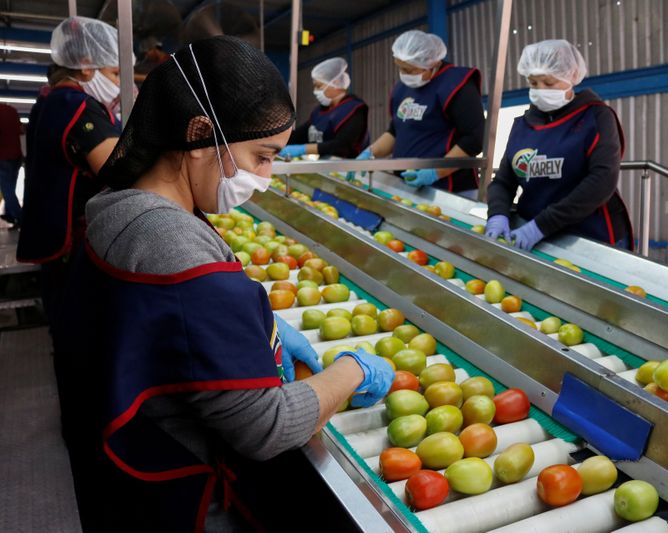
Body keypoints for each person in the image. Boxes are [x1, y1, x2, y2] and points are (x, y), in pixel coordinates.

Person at [56, 36, 393, 532]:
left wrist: (249, 325)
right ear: (199, 133)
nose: (266, 175)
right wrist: (353, 371)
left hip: (119, 469)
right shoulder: (179, 251)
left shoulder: (118, 206)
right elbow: (267, 428)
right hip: (182, 491)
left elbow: (165, 326)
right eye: (262, 155)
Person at [17, 16, 122, 329]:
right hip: (70, 241)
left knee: (63, 321)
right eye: (115, 73)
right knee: (77, 328)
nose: (119, 83)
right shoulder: (76, 104)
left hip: (49, 231)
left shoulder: (49, 100)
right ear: (87, 65)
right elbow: (117, 169)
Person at [485, 40, 633, 251]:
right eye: (533, 83)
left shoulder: (596, 117)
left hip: (590, 238)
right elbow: (503, 182)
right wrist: (498, 213)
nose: (540, 90)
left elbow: (602, 181)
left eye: (549, 83)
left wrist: (540, 226)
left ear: (571, 76)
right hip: (537, 238)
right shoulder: (522, 125)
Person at [353, 30, 485, 198]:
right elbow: (396, 130)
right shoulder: (403, 88)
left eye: (409, 70)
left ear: (432, 63)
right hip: (407, 185)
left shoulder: (455, 85)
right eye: (400, 68)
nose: (404, 75)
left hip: (451, 190)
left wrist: (435, 172)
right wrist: (369, 154)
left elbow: (475, 138)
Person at [280, 57, 369, 159]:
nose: (315, 91)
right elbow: (300, 135)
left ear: (335, 84)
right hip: (325, 166)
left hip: (347, 169)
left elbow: (342, 146)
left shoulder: (354, 109)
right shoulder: (320, 112)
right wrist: (274, 139)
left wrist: (303, 149)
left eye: (319, 86)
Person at [0, 103, 23, 227]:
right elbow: (20, 130)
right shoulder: (12, 110)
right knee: (10, 188)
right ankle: (10, 214)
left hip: (2, 156)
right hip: (16, 156)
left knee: (7, 190)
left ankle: (20, 217)